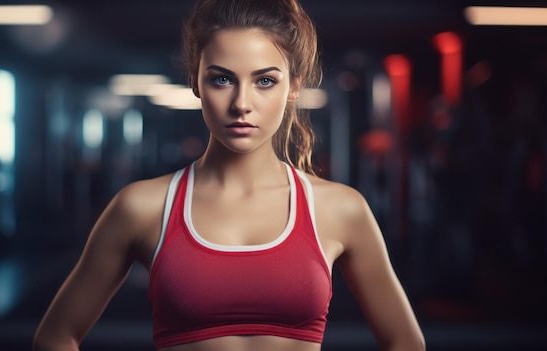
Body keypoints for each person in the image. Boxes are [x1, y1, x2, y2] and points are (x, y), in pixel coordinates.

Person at [32, 0, 425, 350]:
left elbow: (405, 340)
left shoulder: (340, 209)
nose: (241, 104)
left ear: (293, 88)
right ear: (195, 83)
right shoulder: (143, 207)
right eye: (222, 79)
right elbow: (55, 337)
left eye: (265, 81)